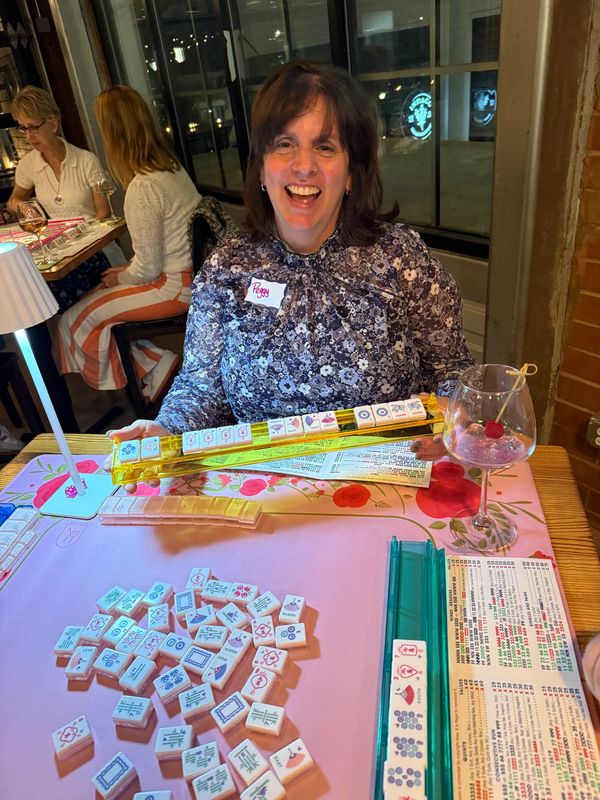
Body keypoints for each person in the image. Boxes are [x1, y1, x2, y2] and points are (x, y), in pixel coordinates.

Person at [108, 60, 473, 455]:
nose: (303, 165)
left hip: (384, 478)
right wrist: (166, 428)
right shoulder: (226, 270)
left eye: (325, 146)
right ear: (262, 169)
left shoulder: (402, 259)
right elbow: (200, 388)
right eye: (284, 144)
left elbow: (450, 368)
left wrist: (452, 411)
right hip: (270, 490)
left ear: (351, 173)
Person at [57, 85, 201, 403]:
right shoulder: (171, 168)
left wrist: (121, 276)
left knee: (74, 318)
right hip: (189, 276)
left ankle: (150, 367)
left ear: (113, 135)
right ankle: (152, 364)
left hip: (173, 287)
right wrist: (125, 271)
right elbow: (156, 256)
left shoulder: (143, 187)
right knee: (93, 302)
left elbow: (148, 268)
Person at [8, 85, 124, 311]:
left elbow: (103, 214)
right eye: (23, 129)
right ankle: (70, 335)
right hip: (59, 251)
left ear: (52, 124)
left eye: (33, 127)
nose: (29, 137)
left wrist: (77, 240)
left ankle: (75, 331)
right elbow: (14, 200)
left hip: (95, 248)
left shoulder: (86, 161)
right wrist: (24, 208)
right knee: (26, 289)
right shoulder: (28, 165)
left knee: (54, 290)